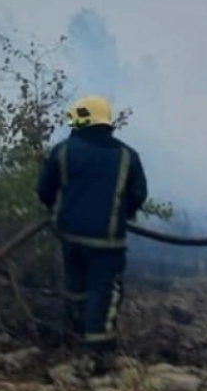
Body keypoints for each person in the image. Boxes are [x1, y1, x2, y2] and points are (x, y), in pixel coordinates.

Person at [37, 95, 148, 373]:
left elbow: (44, 190)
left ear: (78, 120)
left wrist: (56, 211)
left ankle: (73, 336)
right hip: (107, 240)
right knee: (104, 291)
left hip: (69, 236)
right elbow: (138, 195)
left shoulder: (62, 151)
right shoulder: (126, 156)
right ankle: (98, 355)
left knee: (76, 286)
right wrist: (122, 212)